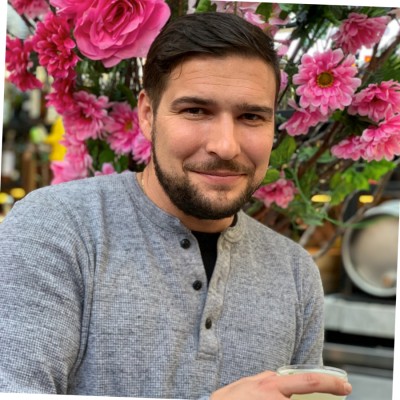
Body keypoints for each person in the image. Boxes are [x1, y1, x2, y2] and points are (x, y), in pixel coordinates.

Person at [0, 11, 352, 400]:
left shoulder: (294, 271)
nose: (225, 146)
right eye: (195, 111)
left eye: (251, 116)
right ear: (147, 115)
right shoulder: (57, 229)